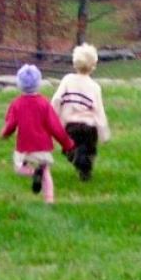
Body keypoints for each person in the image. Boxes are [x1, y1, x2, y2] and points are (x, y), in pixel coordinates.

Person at [1, 64, 75, 204]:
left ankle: (32, 172)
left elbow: (11, 124)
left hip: (24, 146)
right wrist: (67, 143)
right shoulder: (44, 104)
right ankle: (49, 200)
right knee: (46, 172)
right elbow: (55, 126)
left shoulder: (16, 104)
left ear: (19, 84)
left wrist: (5, 134)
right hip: (43, 145)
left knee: (19, 167)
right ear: (38, 83)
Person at [51, 44, 111, 181]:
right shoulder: (95, 87)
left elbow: (57, 99)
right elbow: (99, 111)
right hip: (89, 127)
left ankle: (74, 154)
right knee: (89, 151)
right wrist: (104, 133)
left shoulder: (67, 80)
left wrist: (52, 116)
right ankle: (85, 171)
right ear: (93, 66)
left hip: (71, 126)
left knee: (69, 148)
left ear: (74, 63)